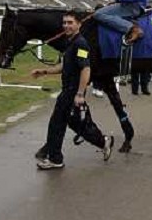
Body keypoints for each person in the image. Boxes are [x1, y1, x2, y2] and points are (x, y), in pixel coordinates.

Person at [31, 10, 113, 169]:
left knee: (58, 125)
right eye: (65, 23)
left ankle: (55, 159)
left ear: (79, 24)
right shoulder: (70, 42)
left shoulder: (81, 43)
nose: (66, 26)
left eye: (70, 23)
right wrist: (45, 71)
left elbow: (86, 69)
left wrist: (80, 94)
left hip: (72, 92)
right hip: (68, 91)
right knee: (77, 124)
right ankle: (103, 142)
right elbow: (65, 65)